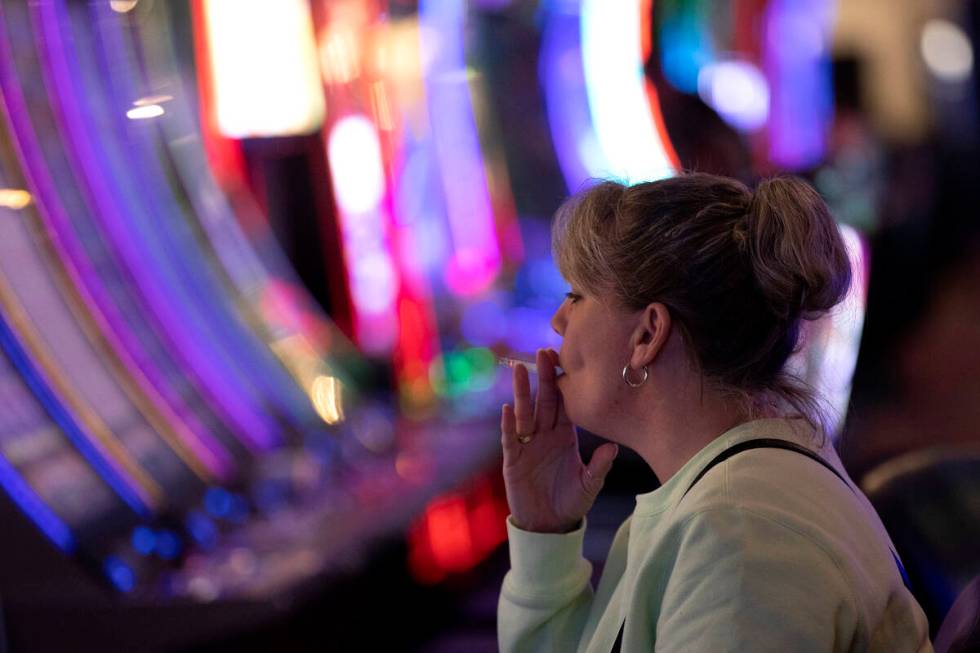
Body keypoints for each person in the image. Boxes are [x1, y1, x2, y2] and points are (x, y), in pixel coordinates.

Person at [497, 173, 933, 652]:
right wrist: (546, 534)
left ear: (648, 335)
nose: (559, 320)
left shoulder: (739, 532)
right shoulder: (740, 490)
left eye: (576, 295)